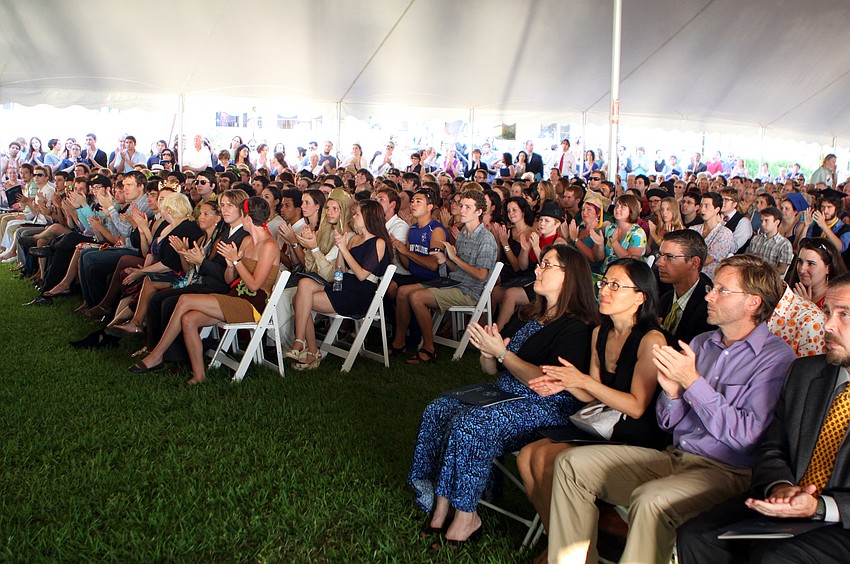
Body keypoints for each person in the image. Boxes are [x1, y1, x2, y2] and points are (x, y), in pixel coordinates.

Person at [546, 254, 796, 564]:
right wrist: (673, 393)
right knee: (571, 465)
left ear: (753, 303)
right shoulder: (702, 343)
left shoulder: (775, 357)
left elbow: (747, 437)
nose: (709, 296)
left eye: (721, 290)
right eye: (712, 288)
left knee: (651, 501)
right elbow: (669, 423)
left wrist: (692, 383)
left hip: (729, 473)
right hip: (676, 457)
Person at [409, 245, 597, 546]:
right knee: (440, 408)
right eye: (540, 263)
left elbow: (548, 380)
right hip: (505, 391)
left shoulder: (577, 327)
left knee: (471, 423)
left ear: (569, 276)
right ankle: (441, 505)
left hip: (547, 404)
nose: (538, 269)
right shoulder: (529, 314)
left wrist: (502, 354)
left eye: (546, 265)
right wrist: (488, 353)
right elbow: (492, 369)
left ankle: (466, 516)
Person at [677, 272, 850, 563]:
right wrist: (780, 486)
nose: (828, 325)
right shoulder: (806, 373)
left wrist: (821, 506)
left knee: (773, 556)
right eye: (828, 312)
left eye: (844, 314)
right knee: (696, 536)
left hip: (841, 517)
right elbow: (773, 446)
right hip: (789, 501)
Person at [516, 258, 668, 561]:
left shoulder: (651, 340)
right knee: (526, 457)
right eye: (604, 283)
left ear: (640, 298)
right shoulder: (601, 331)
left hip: (636, 435)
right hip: (603, 425)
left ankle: (572, 550)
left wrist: (582, 380)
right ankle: (563, 543)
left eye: (615, 285)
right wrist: (566, 383)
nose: (605, 291)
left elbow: (637, 407)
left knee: (546, 459)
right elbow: (591, 396)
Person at [129, 196, 279, 385]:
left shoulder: (269, 245)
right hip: (235, 296)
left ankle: (157, 355)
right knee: (188, 319)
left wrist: (236, 261)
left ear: (247, 218)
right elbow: (229, 279)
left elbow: (254, 285)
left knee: (184, 300)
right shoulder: (247, 241)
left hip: (253, 305)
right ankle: (198, 375)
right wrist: (230, 265)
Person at [394, 190, 498, 365]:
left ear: (479, 212)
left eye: (467, 207)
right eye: (461, 205)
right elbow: (458, 269)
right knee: (403, 291)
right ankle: (400, 342)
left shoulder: (485, 238)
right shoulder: (463, 234)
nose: (461, 210)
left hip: (469, 292)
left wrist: (454, 258)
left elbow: (481, 275)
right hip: (454, 283)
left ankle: (428, 348)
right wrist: (446, 260)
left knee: (417, 297)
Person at [287, 200, 390, 371]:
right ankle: (302, 342)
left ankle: (309, 349)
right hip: (344, 285)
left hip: (359, 293)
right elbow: (340, 270)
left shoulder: (379, 242)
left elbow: (362, 275)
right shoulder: (354, 239)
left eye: (357, 214)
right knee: (304, 284)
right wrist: (341, 250)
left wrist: (344, 249)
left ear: (369, 217)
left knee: (299, 300)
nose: (353, 217)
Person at [657, 229, 716, 343]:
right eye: (660, 255)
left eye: (669, 257)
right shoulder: (665, 298)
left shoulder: (709, 308)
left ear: (694, 263)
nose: (659, 262)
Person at [788, 238, 847, 310]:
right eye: (800, 261)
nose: (802, 269)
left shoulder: (837, 300)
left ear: (828, 268)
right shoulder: (790, 291)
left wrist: (807, 307)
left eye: (811, 263)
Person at [593, 193, 646, 270]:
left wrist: (614, 243)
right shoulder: (610, 228)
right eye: (616, 206)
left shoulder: (638, 233)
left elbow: (631, 262)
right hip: (606, 271)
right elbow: (599, 258)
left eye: (623, 207)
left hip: (625, 273)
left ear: (631, 210)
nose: (617, 209)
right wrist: (600, 245)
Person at [691, 191, 735, 279]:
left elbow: (707, 260)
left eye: (707, 206)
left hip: (709, 278)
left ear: (717, 209)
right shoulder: (693, 229)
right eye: (701, 205)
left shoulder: (725, 233)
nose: (702, 209)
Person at [748, 206, 793, 275]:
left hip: (770, 277)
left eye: (766, 221)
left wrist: (763, 271)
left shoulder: (784, 244)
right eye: (762, 221)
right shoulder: (755, 239)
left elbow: (782, 269)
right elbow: (749, 259)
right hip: (752, 274)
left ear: (776, 222)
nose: (763, 224)